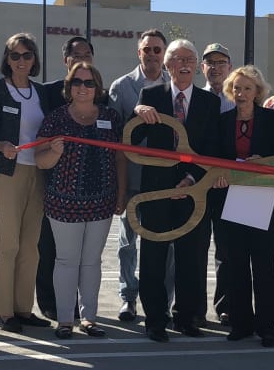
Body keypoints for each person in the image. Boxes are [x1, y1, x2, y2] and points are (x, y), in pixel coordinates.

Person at [132, 39, 220, 342]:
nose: (184, 64)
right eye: (178, 59)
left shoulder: (210, 102)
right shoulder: (151, 94)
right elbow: (133, 138)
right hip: (156, 191)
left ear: (196, 66)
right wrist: (138, 111)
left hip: (193, 189)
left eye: (190, 59)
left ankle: (187, 317)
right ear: (167, 65)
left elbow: (211, 148)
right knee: (153, 255)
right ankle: (155, 320)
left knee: (192, 256)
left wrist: (192, 179)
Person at [35, 62, 127, 339]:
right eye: (77, 82)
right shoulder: (56, 118)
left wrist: (121, 193)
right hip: (63, 203)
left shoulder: (111, 117)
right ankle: (65, 320)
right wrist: (54, 152)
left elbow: (120, 157)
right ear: (69, 86)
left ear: (97, 88)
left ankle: (88, 318)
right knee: (65, 261)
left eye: (89, 83)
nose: (83, 88)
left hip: (102, 202)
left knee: (91, 262)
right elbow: (40, 161)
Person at [0, 33, 51, 333]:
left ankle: (24, 308)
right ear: (6, 60)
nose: (21, 61)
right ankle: (3, 310)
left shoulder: (41, 93)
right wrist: (0, 146)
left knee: (30, 245)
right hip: (9, 173)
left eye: (26, 55)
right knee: (8, 243)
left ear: (34, 59)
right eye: (14, 55)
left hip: (38, 172)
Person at [108, 29, 173, 323]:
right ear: (139, 53)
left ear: (164, 53)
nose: (152, 55)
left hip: (164, 182)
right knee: (127, 244)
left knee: (165, 244)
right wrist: (119, 189)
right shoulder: (121, 88)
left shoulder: (175, 87)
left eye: (157, 50)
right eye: (147, 50)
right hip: (132, 179)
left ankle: (163, 301)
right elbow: (114, 139)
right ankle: (128, 298)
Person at [214, 65, 274, 347]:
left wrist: (263, 161)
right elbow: (212, 157)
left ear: (257, 92)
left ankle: (267, 326)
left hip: (261, 197)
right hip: (229, 199)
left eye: (247, 89)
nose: (241, 93)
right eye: (237, 88)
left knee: (263, 265)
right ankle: (241, 323)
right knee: (235, 264)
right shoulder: (221, 121)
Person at [36, 36, 95, 321]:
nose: (81, 58)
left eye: (87, 54)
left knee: (83, 254)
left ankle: (82, 308)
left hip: (90, 185)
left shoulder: (99, 93)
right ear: (65, 60)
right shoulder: (46, 93)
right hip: (53, 180)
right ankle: (51, 302)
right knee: (50, 246)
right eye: (75, 54)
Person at [201, 42, 233, 326]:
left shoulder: (239, 99)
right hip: (198, 183)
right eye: (210, 62)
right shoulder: (195, 98)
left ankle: (225, 306)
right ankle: (193, 306)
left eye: (221, 62)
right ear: (203, 68)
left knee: (227, 249)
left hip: (229, 186)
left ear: (229, 67)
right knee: (195, 247)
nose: (215, 67)